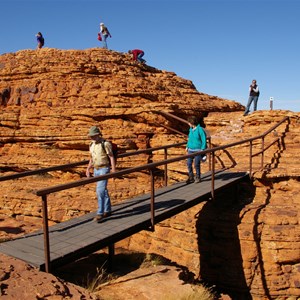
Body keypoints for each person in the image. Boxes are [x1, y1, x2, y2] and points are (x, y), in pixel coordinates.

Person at [86, 126, 116, 223]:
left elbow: (111, 157)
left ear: (98, 134)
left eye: (94, 136)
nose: (92, 138)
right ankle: (107, 210)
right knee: (103, 190)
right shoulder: (91, 144)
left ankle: (100, 213)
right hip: (96, 169)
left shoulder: (105, 144)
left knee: (100, 191)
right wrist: (88, 168)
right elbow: (92, 158)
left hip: (104, 169)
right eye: (91, 136)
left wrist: (113, 170)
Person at [186, 116, 207, 184]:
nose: (188, 123)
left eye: (189, 122)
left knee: (196, 164)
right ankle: (191, 176)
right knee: (189, 163)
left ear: (192, 122)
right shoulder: (190, 129)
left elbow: (204, 139)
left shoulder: (200, 129)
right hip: (190, 149)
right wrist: (187, 146)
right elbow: (189, 139)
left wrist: (203, 149)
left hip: (198, 150)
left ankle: (198, 177)